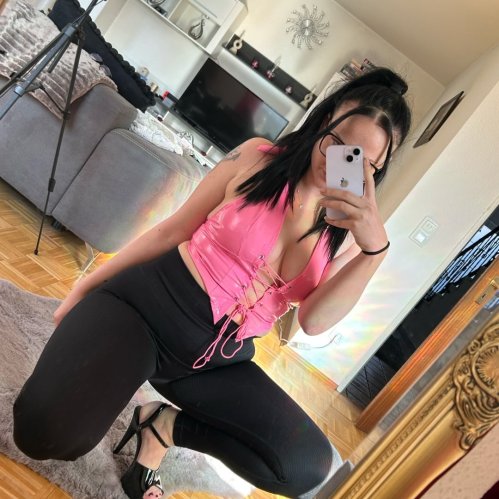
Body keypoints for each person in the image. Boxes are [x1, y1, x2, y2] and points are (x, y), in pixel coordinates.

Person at [13, 67, 411, 499]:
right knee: (45, 435)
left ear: (376, 170)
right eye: (339, 142)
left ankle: (162, 426)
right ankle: (105, 366)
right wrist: (85, 287)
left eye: (363, 162)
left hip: (218, 361)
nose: (341, 162)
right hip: (147, 311)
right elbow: (171, 230)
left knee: (305, 466)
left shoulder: (351, 237)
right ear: (324, 120)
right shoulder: (258, 157)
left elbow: (313, 322)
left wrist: (375, 252)